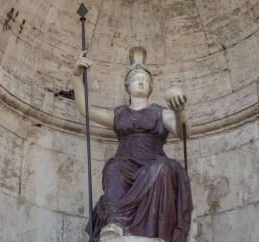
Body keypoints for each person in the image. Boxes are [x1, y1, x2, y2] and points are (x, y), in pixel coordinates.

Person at [71, 50, 193, 242]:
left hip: (153, 161)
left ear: (151, 86)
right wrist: (77, 76)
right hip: (125, 163)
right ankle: (115, 224)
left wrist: (179, 112)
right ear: (128, 85)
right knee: (112, 169)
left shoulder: (160, 112)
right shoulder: (120, 114)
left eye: (144, 78)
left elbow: (184, 133)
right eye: (136, 78)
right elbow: (86, 110)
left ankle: (155, 231)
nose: (141, 81)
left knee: (162, 170)